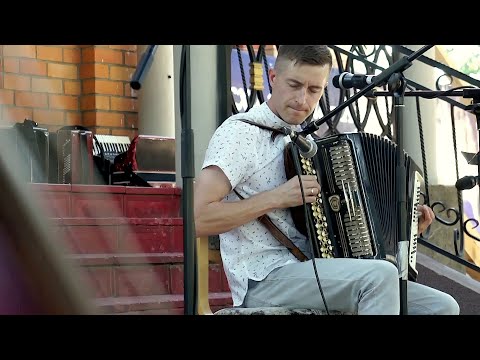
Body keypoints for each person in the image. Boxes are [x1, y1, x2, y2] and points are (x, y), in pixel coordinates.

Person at [193, 45, 460, 315]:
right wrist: (277, 197)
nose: (302, 99)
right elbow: (198, 219)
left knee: (441, 306)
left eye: (313, 90)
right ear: (273, 79)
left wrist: (407, 233)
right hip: (264, 278)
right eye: (294, 85)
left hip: (319, 272)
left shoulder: (309, 143)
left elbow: (347, 239)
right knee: (378, 277)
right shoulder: (239, 134)